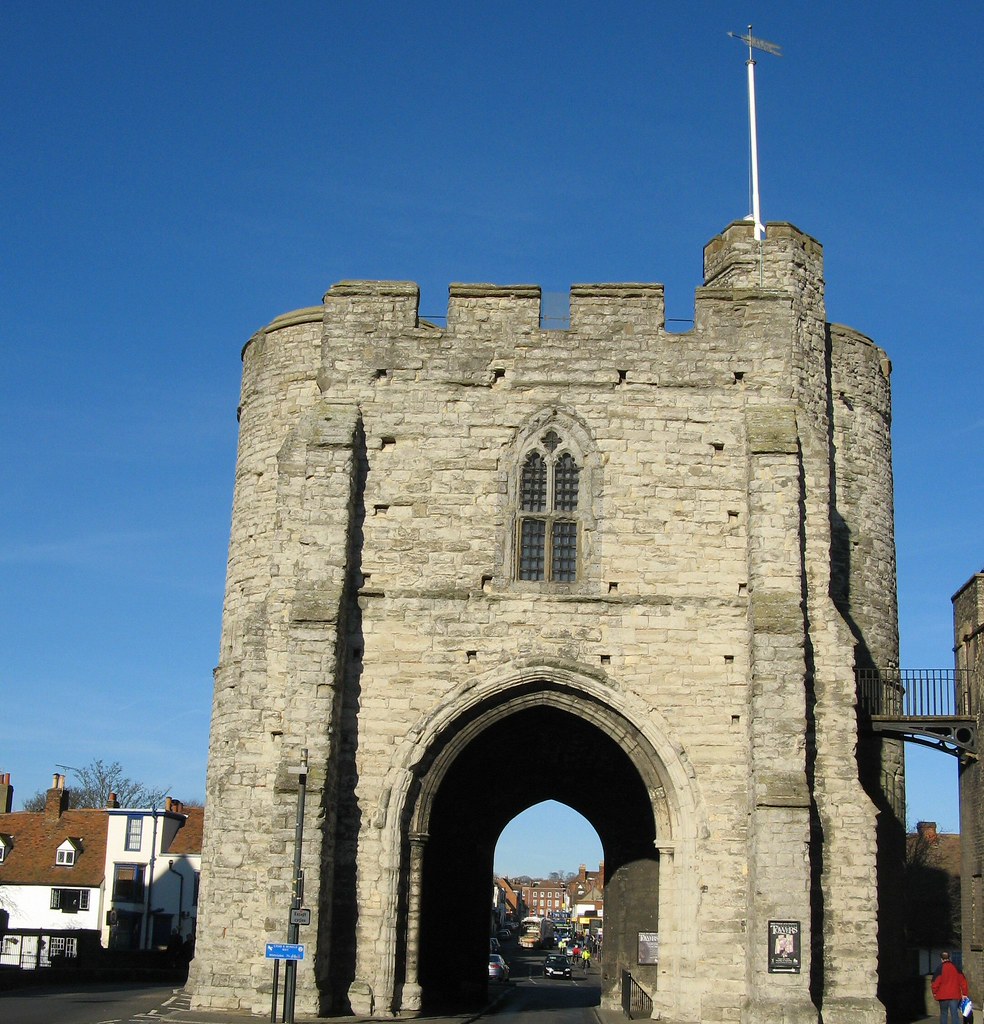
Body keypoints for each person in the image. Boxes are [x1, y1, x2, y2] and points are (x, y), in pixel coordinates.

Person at [932, 951, 970, 1024]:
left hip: (942, 995)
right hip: (954, 995)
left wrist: (934, 992)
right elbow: (963, 981)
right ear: (950, 958)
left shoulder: (939, 968)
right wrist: (964, 993)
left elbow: (935, 983)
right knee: (954, 1014)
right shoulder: (956, 968)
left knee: (943, 1014)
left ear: (941, 959)